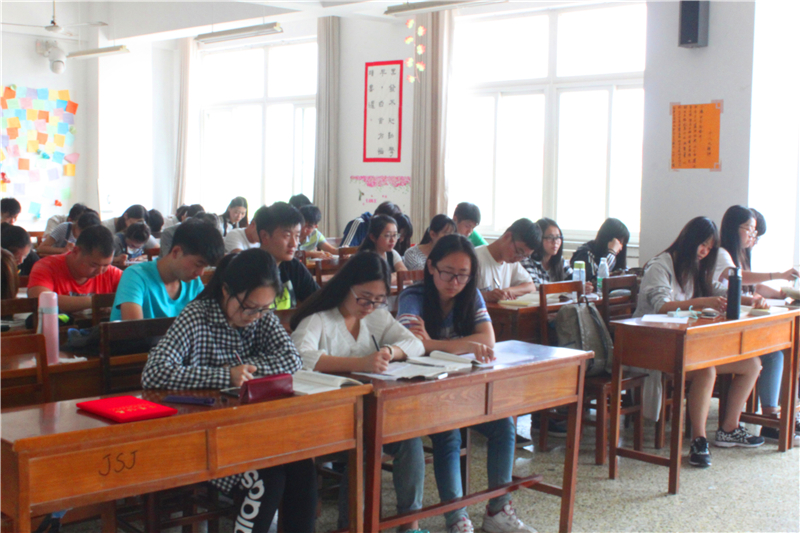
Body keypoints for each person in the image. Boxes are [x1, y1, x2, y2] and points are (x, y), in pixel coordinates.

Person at [141, 248, 315, 533]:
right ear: (225, 290)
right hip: (203, 437)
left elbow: (292, 360)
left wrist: (245, 369)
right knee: (267, 477)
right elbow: (154, 372)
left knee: (302, 466)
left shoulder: (261, 316)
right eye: (249, 307)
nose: (255, 316)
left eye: (264, 308)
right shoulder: (196, 316)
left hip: (253, 431)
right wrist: (225, 374)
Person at [397, 234, 535, 533]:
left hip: (463, 390)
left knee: (504, 426)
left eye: (463, 274)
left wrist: (433, 343)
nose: (455, 281)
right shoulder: (413, 296)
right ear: (431, 267)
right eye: (448, 272)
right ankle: (457, 518)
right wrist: (465, 344)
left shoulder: (471, 296)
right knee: (449, 435)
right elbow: (410, 345)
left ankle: (498, 509)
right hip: (422, 393)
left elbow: (487, 341)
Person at [290, 252, 425, 532]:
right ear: (346, 287)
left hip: (367, 415)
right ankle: (352, 527)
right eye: (364, 298)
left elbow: (416, 344)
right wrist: (358, 364)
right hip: (324, 418)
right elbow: (298, 357)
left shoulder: (377, 317)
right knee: (365, 445)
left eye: (378, 300)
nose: (370, 306)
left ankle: (409, 524)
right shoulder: (319, 319)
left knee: (409, 438)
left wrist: (390, 351)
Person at [634, 216, 764, 468]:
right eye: (702, 244)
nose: (704, 251)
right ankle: (699, 440)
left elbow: (716, 289)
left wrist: (750, 299)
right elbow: (661, 306)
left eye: (709, 247)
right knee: (706, 369)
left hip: (687, 346)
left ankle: (729, 429)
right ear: (688, 239)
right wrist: (703, 302)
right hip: (655, 348)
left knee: (752, 364)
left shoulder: (694, 266)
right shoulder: (660, 265)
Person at [715, 205, 800, 443]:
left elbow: (753, 287)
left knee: (783, 350)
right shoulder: (722, 254)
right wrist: (777, 274)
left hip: (740, 325)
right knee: (774, 354)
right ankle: (771, 419)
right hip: (725, 330)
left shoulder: (740, 255)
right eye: (750, 229)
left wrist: (782, 292)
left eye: (755, 232)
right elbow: (737, 279)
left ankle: (779, 416)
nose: (753, 236)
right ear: (734, 228)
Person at [111, 221, 225, 321]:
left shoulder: (194, 283)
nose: (201, 273)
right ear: (176, 252)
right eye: (198, 264)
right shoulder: (135, 276)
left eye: (205, 266)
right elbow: (134, 332)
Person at [28, 225, 122, 313]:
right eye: (93, 265)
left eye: (106, 265)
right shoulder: (46, 267)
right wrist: (97, 302)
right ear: (76, 251)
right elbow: (41, 300)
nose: (99, 272)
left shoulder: (113, 273)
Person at [255, 202, 319, 309]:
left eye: (297, 236)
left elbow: (319, 302)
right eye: (287, 235)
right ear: (264, 236)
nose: (294, 244)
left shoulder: (294, 267)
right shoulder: (248, 269)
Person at [474, 218, 539, 303]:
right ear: (507, 236)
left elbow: (531, 287)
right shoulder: (474, 258)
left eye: (524, 256)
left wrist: (508, 291)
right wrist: (486, 296)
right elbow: (459, 295)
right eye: (518, 252)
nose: (518, 259)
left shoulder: (511, 263)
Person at [522, 218, 593, 293]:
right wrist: (570, 287)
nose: (555, 242)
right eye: (550, 237)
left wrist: (583, 286)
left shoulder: (560, 261)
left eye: (558, 237)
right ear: (539, 238)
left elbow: (574, 280)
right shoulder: (527, 261)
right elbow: (535, 288)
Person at [571, 218, 629, 283]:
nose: (620, 248)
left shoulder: (618, 256)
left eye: (622, 244)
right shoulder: (585, 253)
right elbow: (596, 281)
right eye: (618, 242)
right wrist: (611, 253)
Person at [357, 215, 407, 279]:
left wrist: (389, 278)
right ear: (373, 237)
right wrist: (397, 276)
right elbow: (376, 281)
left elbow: (407, 277)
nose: (392, 240)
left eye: (395, 235)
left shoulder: (392, 253)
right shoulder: (365, 258)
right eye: (387, 235)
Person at [37, 212, 102, 256]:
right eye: (81, 232)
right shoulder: (64, 228)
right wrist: (63, 250)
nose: (83, 237)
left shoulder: (91, 236)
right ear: (77, 223)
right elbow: (41, 248)